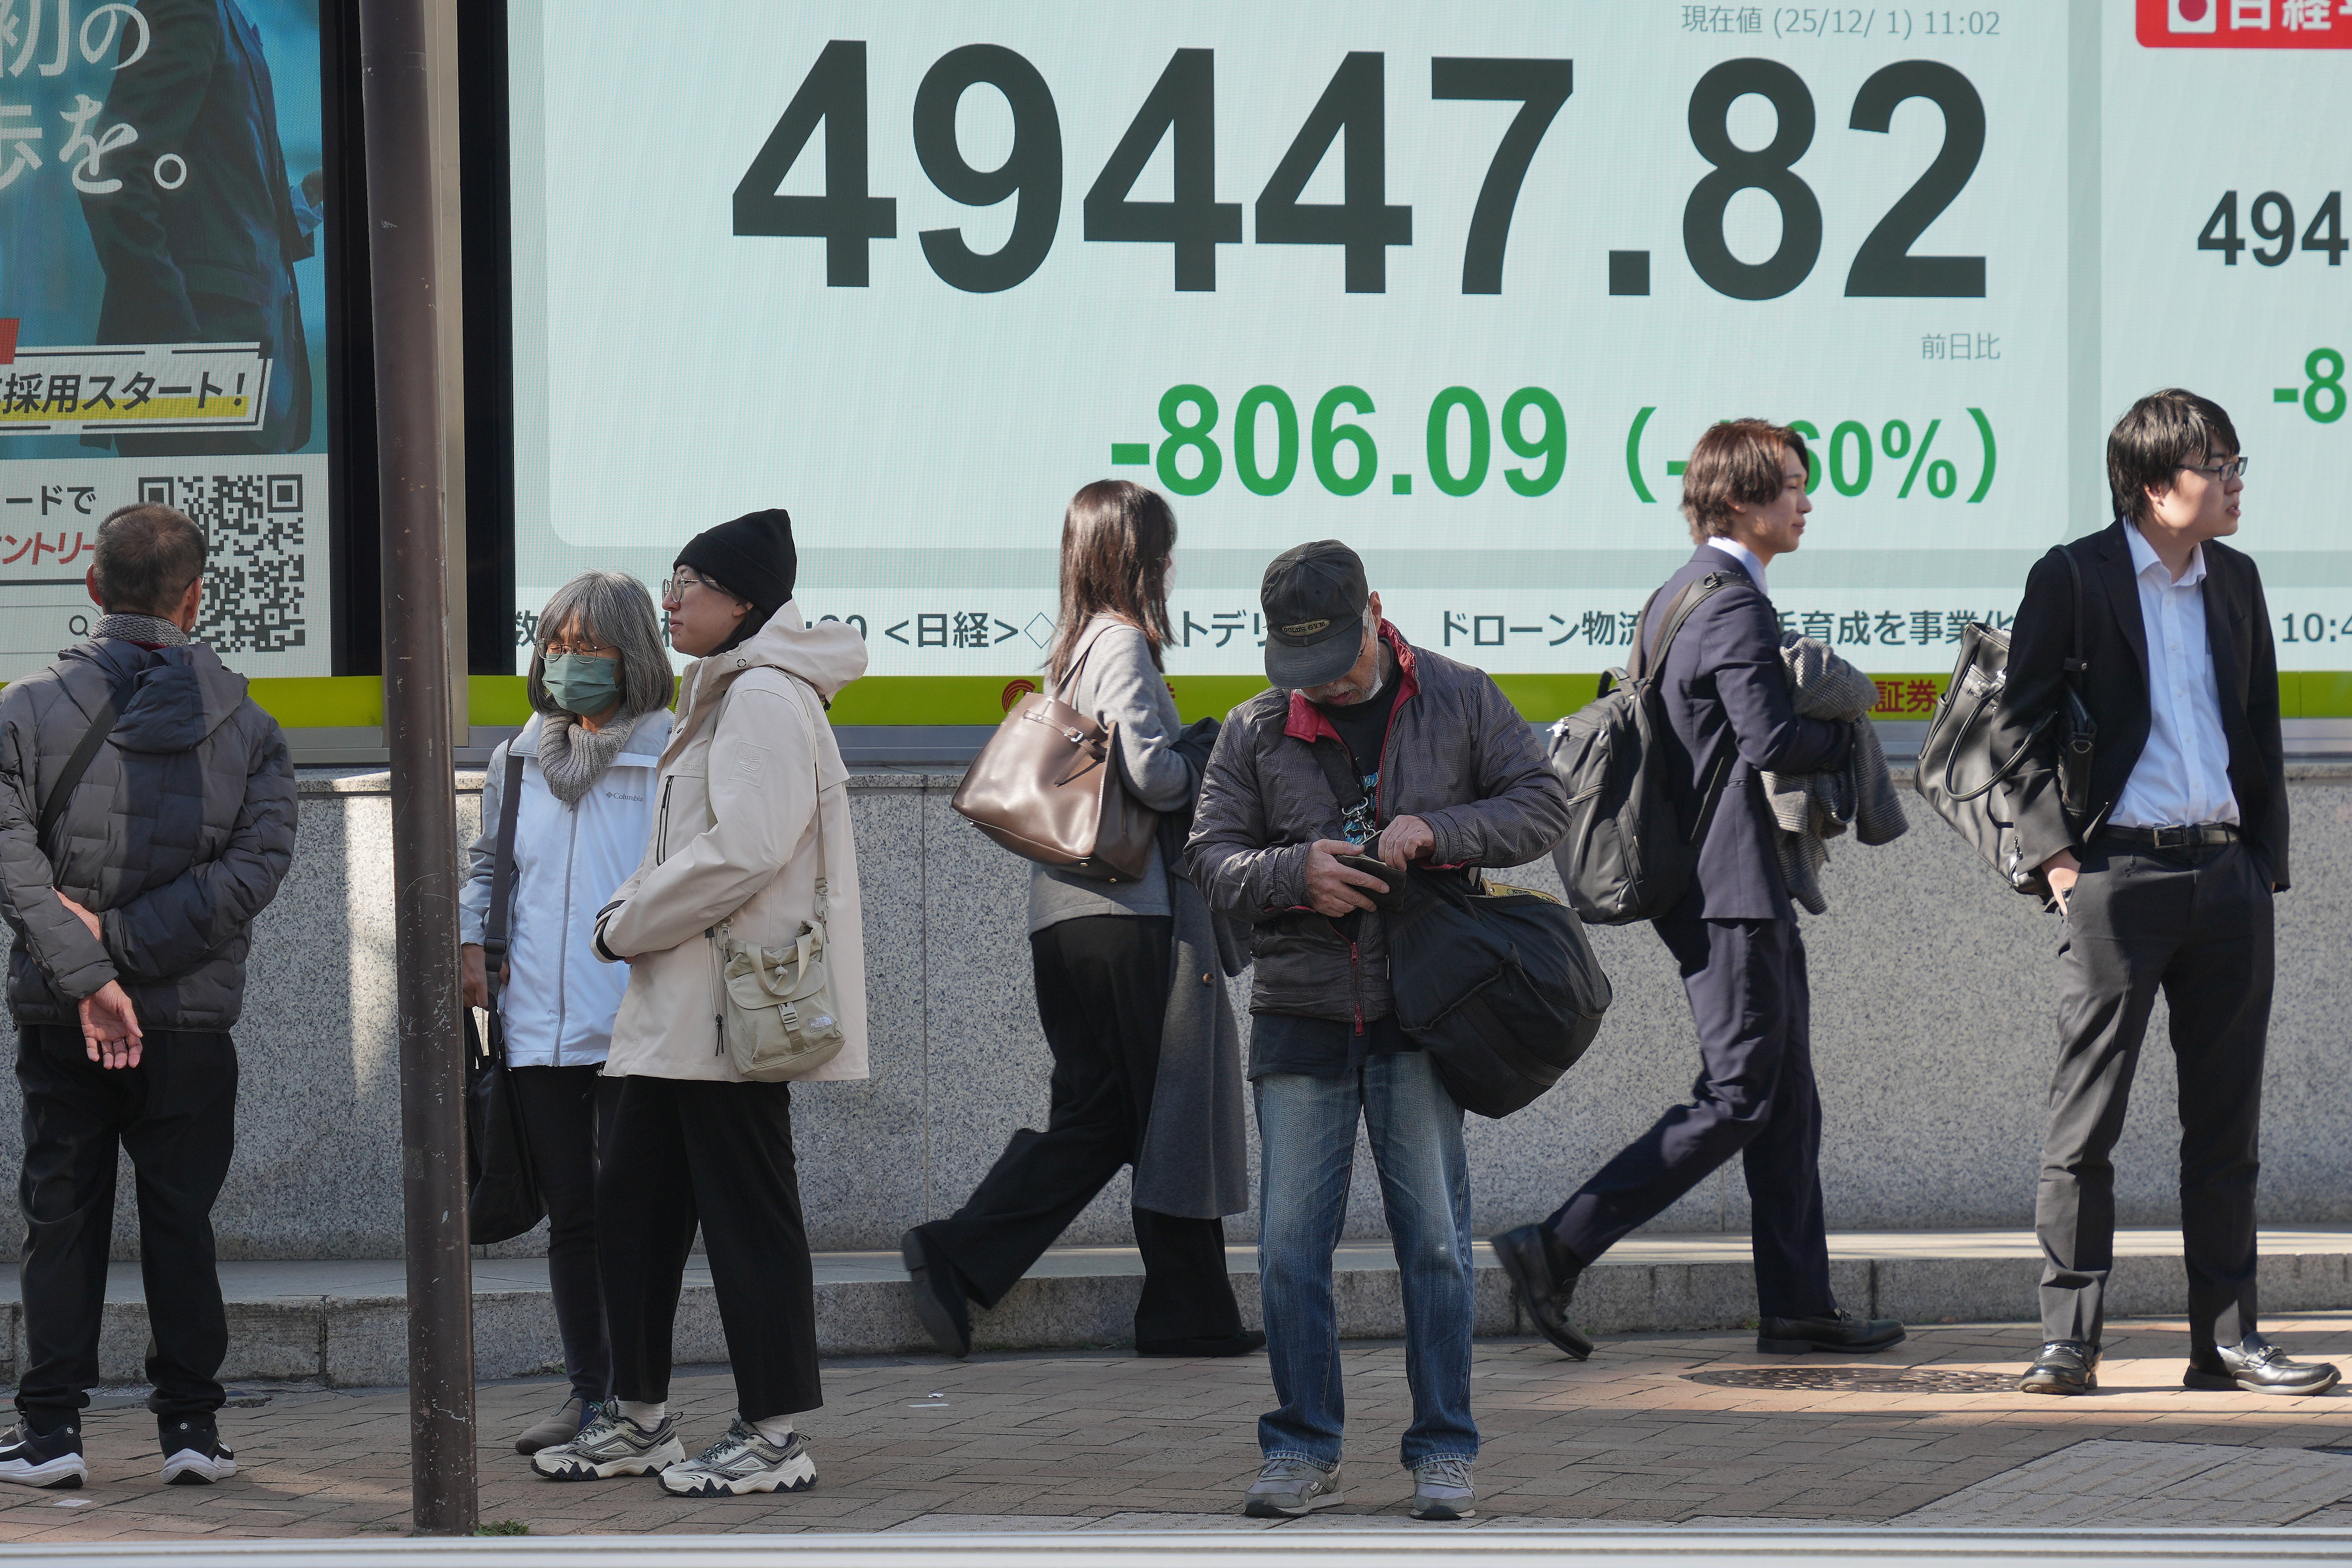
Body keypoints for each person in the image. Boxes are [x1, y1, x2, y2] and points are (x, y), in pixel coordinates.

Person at [1491, 421, 1905, 1364]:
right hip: (1730, 891)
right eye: (1792, 486)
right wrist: (1846, 735)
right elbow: (1770, 742)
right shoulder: (1730, 606)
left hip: (1720, 886)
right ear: (1738, 501)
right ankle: (1556, 1245)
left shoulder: (1678, 594)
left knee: (1784, 1096)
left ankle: (1798, 1303)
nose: (1806, 503)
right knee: (1738, 1092)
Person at [1187, 540, 1570, 1522]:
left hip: (1422, 1016)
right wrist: (1295, 874)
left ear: (1377, 613)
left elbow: (1544, 806)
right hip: (1300, 1017)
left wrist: (1440, 833)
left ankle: (1444, 1451)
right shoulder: (1254, 728)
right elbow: (1211, 860)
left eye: (1338, 659)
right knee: (1284, 1251)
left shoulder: (1459, 695)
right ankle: (1304, 1448)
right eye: (1301, 665)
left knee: (1435, 1246)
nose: (1322, 682)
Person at [1992, 390, 2334, 1398]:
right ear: (2154, 485)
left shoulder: (2237, 580)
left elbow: (2259, 731)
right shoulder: (2074, 578)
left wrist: (2260, 865)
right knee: (2086, 1119)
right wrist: (2061, 863)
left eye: (2237, 464)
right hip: (2117, 880)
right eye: (2216, 465)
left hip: (2226, 880)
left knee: (2226, 1126)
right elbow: (2016, 735)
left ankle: (2228, 1342)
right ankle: (2070, 1340)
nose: (2235, 484)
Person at [529, 508, 870, 1496]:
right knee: (634, 1212)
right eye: (671, 580)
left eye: (691, 583)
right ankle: (637, 1418)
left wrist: (626, 920)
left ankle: (774, 1433)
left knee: (747, 1221)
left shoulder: (763, 695)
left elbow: (748, 848)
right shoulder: (719, 690)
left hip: (726, 1014)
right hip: (679, 1011)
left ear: (745, 600)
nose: (671, 599)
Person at [902, 480, 1256, 1361]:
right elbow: (1156, 777)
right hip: (1132, 917)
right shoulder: (1126, 644)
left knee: (1107, 1113)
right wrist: (1211, 746)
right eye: (1165, 551)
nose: (1174, 567)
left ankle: (974, 1257)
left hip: (1065, 914)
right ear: (1141, 560)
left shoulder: (1069, 650)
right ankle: (1182, 1310)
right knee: (1167, 1107)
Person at [0, 504, 295, 1489]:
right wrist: (133, 960)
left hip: (62, 1014)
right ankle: (193, 1435)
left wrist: (95, 969)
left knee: (61, 1215)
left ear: (93, 588)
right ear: (197, 596)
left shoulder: (24, 711)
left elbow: (14, 866)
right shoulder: (249, 726)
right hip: (189, 1024)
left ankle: (49, 1436)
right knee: (181, 1219)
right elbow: (257, 867)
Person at [459, 571, 675, 1454]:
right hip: (536, 1027)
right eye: (556, 644)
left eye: (590, 648)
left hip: (636, 1027)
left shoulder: (666, 757)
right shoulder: (517, 761)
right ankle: (592, 1395)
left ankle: (640, 1400)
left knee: (637, 1220)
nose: (567, 663)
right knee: (574, 1220)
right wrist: (471, 946)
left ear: (635, 658)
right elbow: (488, 868)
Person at [79, 0, 324, 456]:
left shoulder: (226, 18)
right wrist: (178, 348)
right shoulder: (189, 8)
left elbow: (216, 215)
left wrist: (305, 203)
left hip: (236, 376)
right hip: (203, 375)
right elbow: (110, 177)